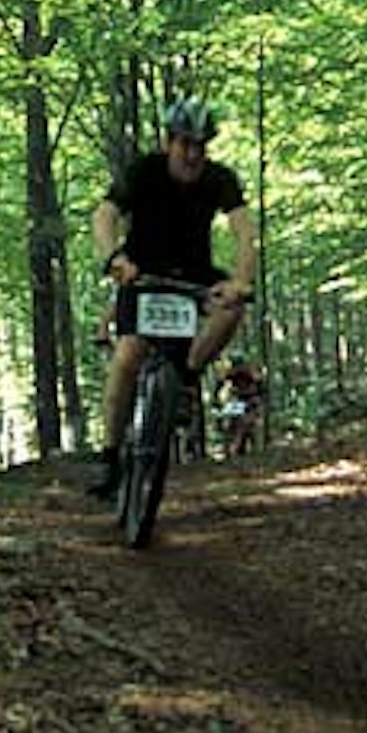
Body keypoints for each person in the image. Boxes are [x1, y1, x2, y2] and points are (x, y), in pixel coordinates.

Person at [88, 95, 258, 499]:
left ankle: (186, 377)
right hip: (142, 272)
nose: (193, 154)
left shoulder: (220, 179)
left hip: (194, 276)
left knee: (232, 309)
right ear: (169, 142)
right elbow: (104, 214)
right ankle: (110, 458)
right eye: (185, 143)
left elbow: (244, 231)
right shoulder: (144, 172)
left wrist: (241, 280)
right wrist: (113, 257)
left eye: (201, 145)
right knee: (128, 357)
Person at [214, 356, 265, 458]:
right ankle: (234, 449)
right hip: (240, 400)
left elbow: (259, 383)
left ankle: (255, 451)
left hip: (251, 400)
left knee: (251, 427)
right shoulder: (232, 372)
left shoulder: (249, 370)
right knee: (235, 425)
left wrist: (258, 397)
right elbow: (221, 382)